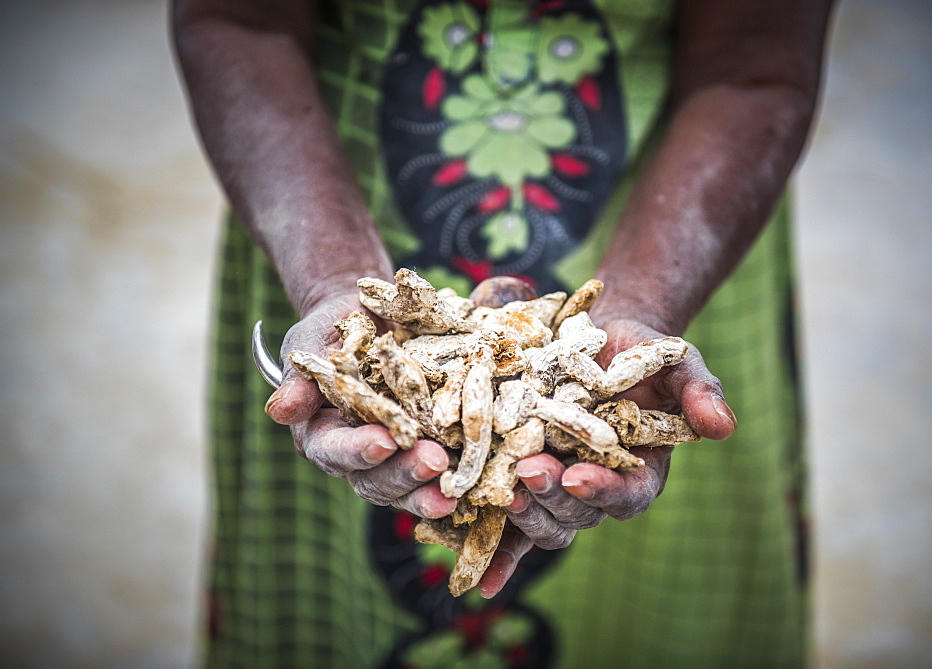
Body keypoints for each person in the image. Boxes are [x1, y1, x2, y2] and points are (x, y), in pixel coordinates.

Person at [173, 0, 831, 666]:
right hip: (315, 207)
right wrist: (330, 278)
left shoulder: (620, 351)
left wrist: (647, 300)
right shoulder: (354, 308)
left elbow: (754, 69)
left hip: (676, 231)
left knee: (659, 560)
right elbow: (239, 20)